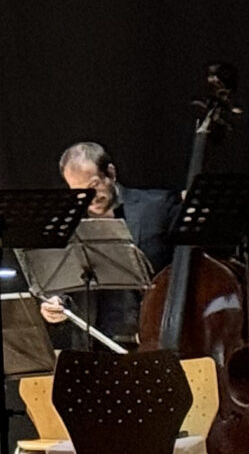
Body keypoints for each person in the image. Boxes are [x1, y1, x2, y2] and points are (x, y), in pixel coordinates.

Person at [36, 141, 174, 345]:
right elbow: (60, 284)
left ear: (110, 173)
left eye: (93, 186)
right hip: (92, 343)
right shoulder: (66, 224)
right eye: (79, 191)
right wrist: (56, 302)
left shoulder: (157, 207)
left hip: (153, 338)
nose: (89, 198)